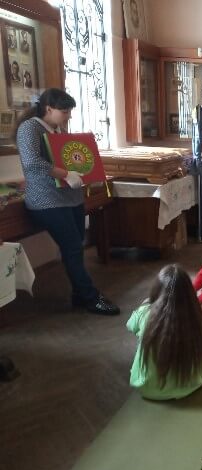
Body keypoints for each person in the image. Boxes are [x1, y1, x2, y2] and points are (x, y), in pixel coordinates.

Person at [14, 88, 119, 315]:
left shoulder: (57, 129)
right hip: (47, 200)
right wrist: (65, 174)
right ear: (48, 109)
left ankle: (79, 295)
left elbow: (69, 156)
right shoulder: (30, 128)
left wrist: (85, 161)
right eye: (64, 111)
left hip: (70, 198)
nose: (68, 116)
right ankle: (91, 298)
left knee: (76, 247)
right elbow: (32, 162)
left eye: (69, 111)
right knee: (72, 247)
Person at [127, 264, 202, 400]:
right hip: (192, 384)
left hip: (149, 388)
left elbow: (130, 326)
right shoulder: (195, 313)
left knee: (144, 333)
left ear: (156, 290)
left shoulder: (146, 312)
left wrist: (145, 304)